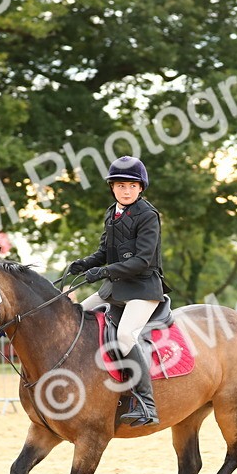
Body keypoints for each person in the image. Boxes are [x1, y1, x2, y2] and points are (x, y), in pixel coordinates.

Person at [67, 155, 170, 427]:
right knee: (74, 317)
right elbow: (105, 252)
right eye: (121, 185)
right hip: (115, 287)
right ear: (112, 187)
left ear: (140, 188)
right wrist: (84, 264)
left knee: (125, 335)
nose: (126, 191)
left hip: (143, 288)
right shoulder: (111, 213)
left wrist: (102, 272)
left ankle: (147, 403)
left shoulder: (148, 215)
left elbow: (142, 260)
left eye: (132, 186)